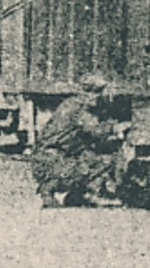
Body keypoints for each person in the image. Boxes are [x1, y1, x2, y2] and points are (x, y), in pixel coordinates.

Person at [32, 75, 130, 207]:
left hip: (43, 161)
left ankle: (74, 195)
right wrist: (118, 127)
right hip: (53, 162)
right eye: (98, 93)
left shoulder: (69, 103)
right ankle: (85, 193)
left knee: (87, 154)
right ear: (90, 93)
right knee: (107, 159)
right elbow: (95, 130)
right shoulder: (81, 109)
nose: (100, 98)